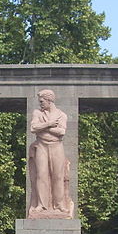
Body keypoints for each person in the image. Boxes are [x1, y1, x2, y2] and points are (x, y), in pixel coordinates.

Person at [28, 89, 74, 218]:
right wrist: (49, 124)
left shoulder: (61, 115)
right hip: (41, 145)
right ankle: (41, 205)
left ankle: (59, 205)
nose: (40, 104)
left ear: (49, 100)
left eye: (42, 101)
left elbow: (61, 132)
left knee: (58, 176)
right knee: (41, 175)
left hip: (56, 146)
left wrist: (44, 127)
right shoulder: (37, 113)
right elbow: (33, 128)